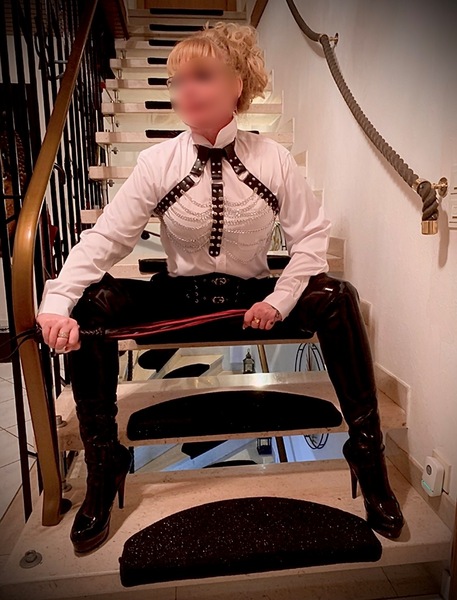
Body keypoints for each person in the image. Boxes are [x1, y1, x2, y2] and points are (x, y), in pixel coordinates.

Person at [36, 21, 404, 554]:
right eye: (177, 80)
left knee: (336, 296)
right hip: (179, 297)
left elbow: (310, 240)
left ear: (237, 84)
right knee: (93, 301)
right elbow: (107, 238)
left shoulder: (273, 158)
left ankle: (368, 457)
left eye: (202, 76)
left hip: (251, 299)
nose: (186, 90)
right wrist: (56, 303)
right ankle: (103, 461)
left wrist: (279, 300)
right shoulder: (157, 162)